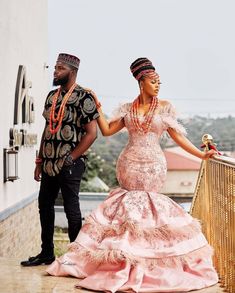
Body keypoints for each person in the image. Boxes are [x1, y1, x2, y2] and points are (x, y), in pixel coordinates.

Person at [46, 57, 218, 292]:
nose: (157, 85)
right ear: (141, 82)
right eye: (153, 81)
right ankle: (122, 258)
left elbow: (178, 136)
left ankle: (148, 259)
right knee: (127, 210)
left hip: (153, 165)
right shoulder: (128, 108)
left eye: (159, 82)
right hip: (129, 163)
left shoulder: (164, 107)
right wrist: (96, 106)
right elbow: (106, 131)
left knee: (149, 207)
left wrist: (201, 155)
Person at [21, 53, 99, 266]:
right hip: (48, 162)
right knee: (44, 205)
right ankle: (47, 253)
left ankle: (75, 257)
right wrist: (39, 161)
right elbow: (47, 129)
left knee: (71, 208)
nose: (55, 72)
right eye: (55, 67)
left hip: (70, 164)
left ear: (72, 72)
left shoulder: (85, 97)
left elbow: (92, 133)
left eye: (60, 68)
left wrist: (71, 158)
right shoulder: (51, 96)